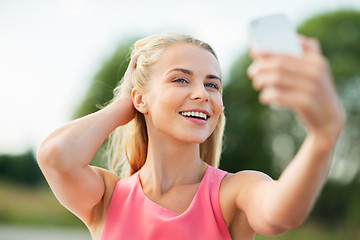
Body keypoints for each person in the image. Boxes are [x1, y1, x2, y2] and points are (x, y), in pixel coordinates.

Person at [37, 32, 344, 240]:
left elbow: (281, 214)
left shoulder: (232, 194)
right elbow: (56, 156)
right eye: (181, 79)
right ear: (140, 99)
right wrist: (123, 106)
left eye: (212, 85)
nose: (202, 94)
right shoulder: (107, 197)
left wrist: (322, 136)